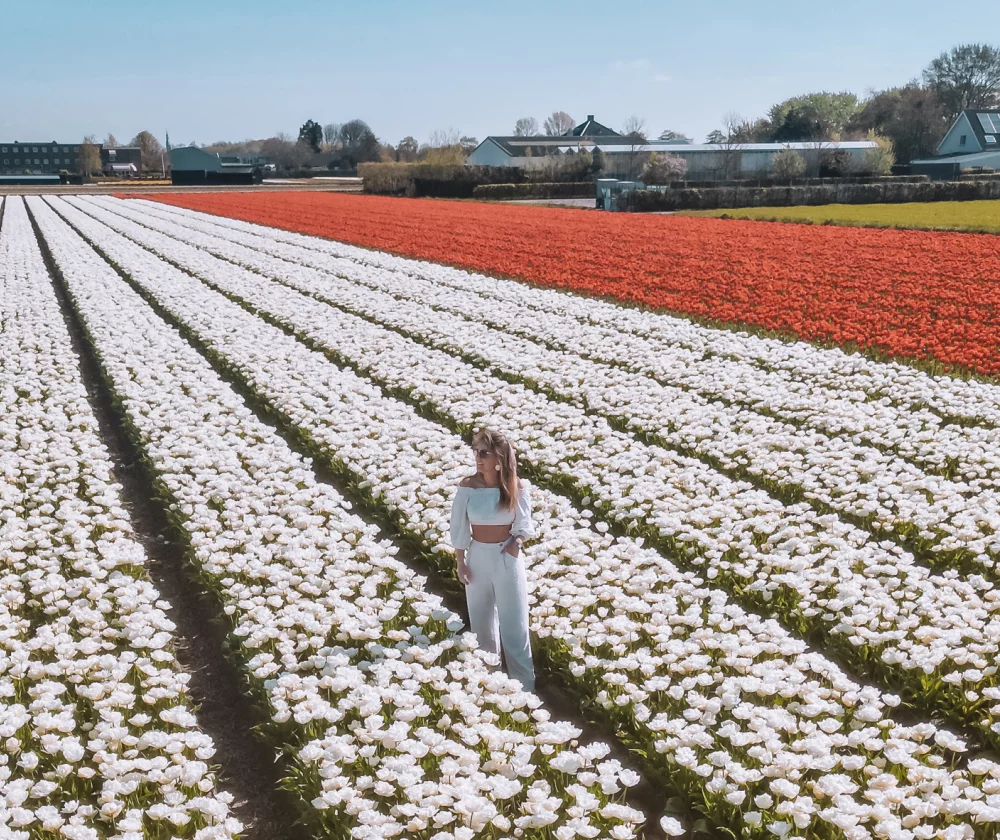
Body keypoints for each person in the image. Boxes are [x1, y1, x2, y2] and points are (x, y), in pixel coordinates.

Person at [449, 427, 536, 691]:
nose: (478, 458)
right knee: (481, 627)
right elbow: (459, 526)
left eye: (484, 453)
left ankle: (525, 690)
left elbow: (524, 525)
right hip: (477, 558)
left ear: (499, 457)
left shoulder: (515, 487)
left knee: (515, 627)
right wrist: (461, 561)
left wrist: (516, 544)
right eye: (476, 452)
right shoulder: (467, 487)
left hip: (506, 558)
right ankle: (490, 689)